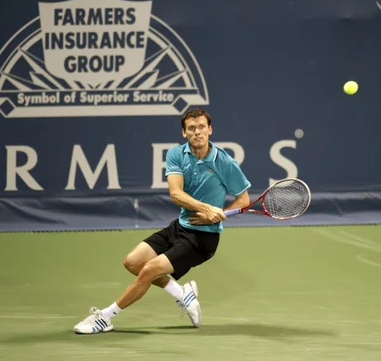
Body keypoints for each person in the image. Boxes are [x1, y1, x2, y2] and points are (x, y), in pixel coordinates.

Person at [73, 108, 251, 334]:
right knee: (133, 262)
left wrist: (220, 214)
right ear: (184, 132)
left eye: (202, 127)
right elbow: (176, 194)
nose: (197, 132)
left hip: (203, 238)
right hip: (179, 227)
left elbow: (243, 200)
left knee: (148, 270)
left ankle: (104, 318)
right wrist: (206, 208)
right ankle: (182, 294)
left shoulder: (224, 163)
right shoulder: (176, 154)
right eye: (192, 128)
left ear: (210, 129)